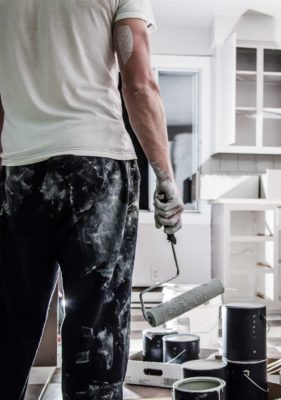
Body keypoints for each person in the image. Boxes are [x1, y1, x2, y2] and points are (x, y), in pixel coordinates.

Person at [0, 0, 184, 398]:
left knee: (10, 325)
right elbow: (139, 83)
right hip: (95, 167)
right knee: (95, 331)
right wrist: (165, 175)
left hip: (19, 169)